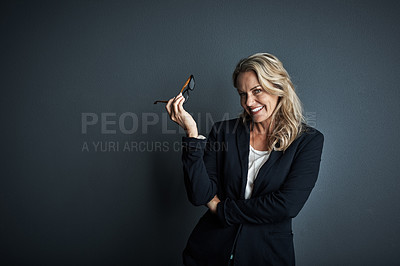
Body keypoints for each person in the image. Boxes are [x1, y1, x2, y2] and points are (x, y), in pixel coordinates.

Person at [165, 53, 324, 266]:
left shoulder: (307, 141)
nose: (248, 102)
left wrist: (221, 209)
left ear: (279, 88)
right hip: (208, 254)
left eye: (257, 91)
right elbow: (200, 194)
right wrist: (192, 135)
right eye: (242, 94)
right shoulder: (223, 132)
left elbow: (286, 206)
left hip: (266, 257)